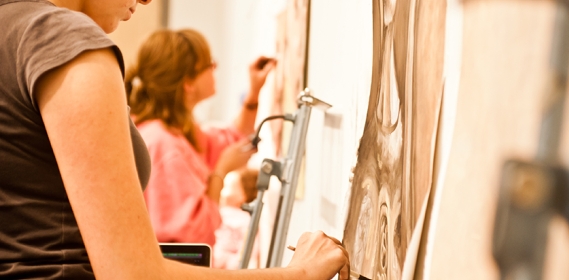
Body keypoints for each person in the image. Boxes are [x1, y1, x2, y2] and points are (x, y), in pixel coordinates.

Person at [0, 0, 349, 279]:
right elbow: (133, 273)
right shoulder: (63, 39)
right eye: (208, 65)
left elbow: (223, 139)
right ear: (186, 80)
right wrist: (299, 274)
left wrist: (252, 98)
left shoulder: (10, 26)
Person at [125, 28, 269, 247]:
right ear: (188, 83)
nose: (214, 68)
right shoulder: (163, 145)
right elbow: (193, 236)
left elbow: (233, 140)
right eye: (208, 64)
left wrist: (254, 93)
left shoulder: (175, 133)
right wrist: (221, 171)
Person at [214, 168, 260, 269]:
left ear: (243, 195)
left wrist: (225, 260)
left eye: (227, 187)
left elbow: (247, 253)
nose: (221, 192)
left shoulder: (245, 221)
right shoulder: (217, 211)